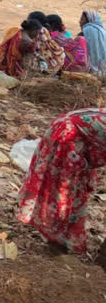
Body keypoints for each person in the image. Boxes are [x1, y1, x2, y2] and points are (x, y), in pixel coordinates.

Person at [18, 108, 106, 266]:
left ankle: (61, 241)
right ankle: (56, 245)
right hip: (68, 138)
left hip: (72, 134)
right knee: (61, 195)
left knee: (72, 194)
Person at [81, 11, 106, 78]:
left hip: (91, 72)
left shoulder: (87, 29)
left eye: (82, 19)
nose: (79, 22)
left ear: (89, 20)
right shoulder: (103, 31)